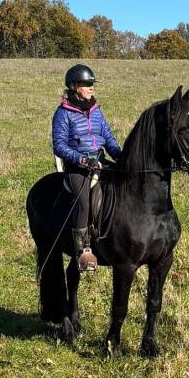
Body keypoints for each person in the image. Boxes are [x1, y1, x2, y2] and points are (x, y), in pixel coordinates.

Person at [52, 64, 122, 272]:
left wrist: (120, 155)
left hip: (100, 160)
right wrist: (82, 160)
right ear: (74, 86)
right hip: (77, 167)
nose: (91, 88)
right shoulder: (63, 113)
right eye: (87, 84)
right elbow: (59, 145)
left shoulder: (96, 110)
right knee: (83, 200)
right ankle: (83, 250)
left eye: (92, 84)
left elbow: (107, 136)